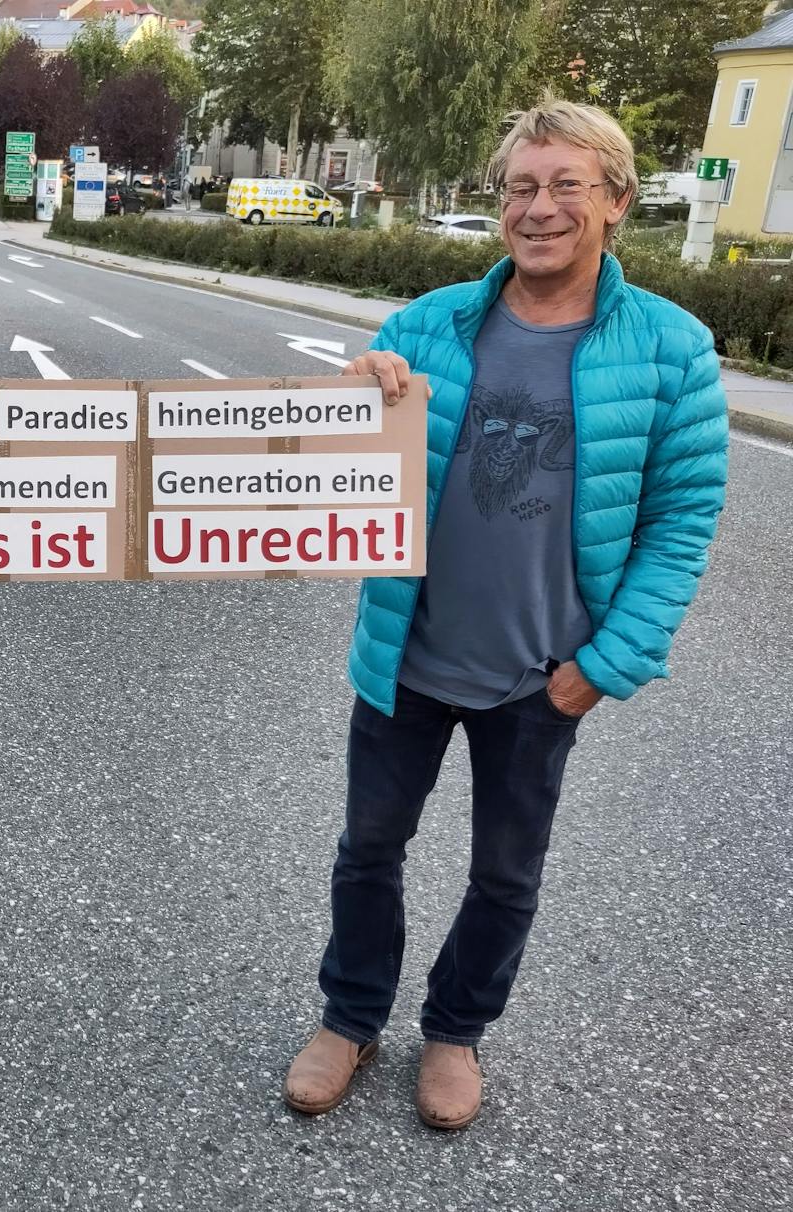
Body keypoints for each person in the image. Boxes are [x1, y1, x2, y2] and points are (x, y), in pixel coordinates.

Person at [282, 100, 728, 1131]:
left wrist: (605, 663)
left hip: (540, 677)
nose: (538, 209)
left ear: (614, 202)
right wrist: (350, 398)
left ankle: (452, 1034)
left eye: (565, 185)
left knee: (504, 873)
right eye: (520, 188)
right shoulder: (421, 326)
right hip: (406, 657)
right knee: (366, 850)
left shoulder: (672, 350)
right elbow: (329, 486)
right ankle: (347, 1018)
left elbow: (681, 517)